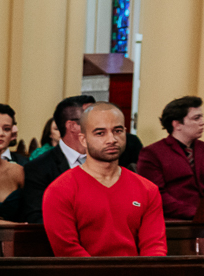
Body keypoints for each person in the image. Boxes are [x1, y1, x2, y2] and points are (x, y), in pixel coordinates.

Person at [44, 103, 166, 257]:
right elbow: (68, 250)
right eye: (100, 133)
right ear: (83, 139)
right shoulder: (59, 190)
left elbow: (154, 247)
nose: (112, 139)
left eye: (118, 131)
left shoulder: (148, 189)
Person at [20, 94, 95, 223]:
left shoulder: (107, 160)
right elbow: (37, 217)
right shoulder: (39, 168)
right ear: (72, 126)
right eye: (92, 119)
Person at [135, 95, 204, 220]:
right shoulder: (152, 153)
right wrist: (195, 213)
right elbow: (156, 195)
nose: (202, 122)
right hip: (175, 222)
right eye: (196, 118)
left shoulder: (202, 148)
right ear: (177, 124)